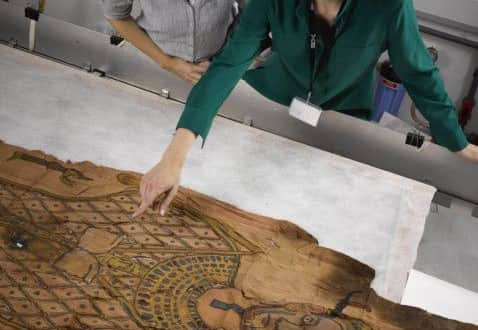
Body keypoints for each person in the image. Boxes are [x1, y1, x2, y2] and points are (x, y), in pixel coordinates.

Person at [133, 0, 478, 218]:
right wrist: (173, 158)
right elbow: (228, 65)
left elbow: (419, 74)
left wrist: (455, 142)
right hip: (274, 100)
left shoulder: (388, 6)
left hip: (344, 116)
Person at [101, 0, 246, 84]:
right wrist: (166, 62)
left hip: (226, 63)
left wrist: (226, 56)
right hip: (151, 67)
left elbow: (252, 14)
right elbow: (116, 15)